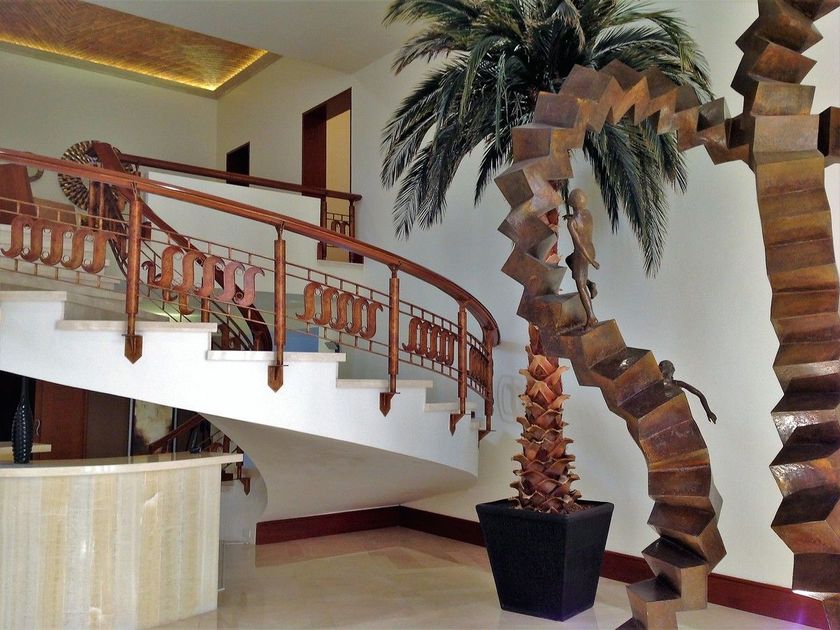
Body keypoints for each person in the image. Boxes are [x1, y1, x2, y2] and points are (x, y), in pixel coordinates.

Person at [563, 188, 599, 329]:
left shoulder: (572, 223)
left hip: (582, 255)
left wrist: (591, 261)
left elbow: (579, 245)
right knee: (568, 260)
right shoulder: (588, 214)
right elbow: (582, 224)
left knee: (580, 286)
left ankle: (591, 317)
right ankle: (590, 284)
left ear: (571, 203)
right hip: (591, 249)